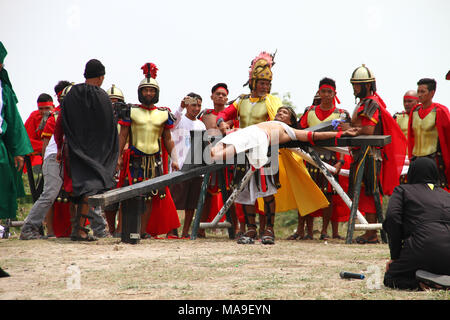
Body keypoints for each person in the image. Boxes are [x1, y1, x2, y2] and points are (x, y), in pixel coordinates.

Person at [216, 52, 329, 245]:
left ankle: (268, 229)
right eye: (262, 83)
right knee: (243, 191)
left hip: (266, 152)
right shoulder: (241, 100)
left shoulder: (272, 102)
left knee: (267, 191)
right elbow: (224, 114)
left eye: (267, 84)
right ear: (253, 82)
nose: (265, 87)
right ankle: (251, 230)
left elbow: (280, 125)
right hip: (243, 152)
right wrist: (222, 124)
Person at [340, 64, 407, 244]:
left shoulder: (370, 103)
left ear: (368, 86)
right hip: (362, 153)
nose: (354, 88)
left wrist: (352, 129)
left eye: (358, 85)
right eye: (353, 84)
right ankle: (370, 232)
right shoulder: (364, 102)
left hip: (369, 153)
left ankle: (371, 233)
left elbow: (369, 130)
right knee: (364, 191)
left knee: (369, 191)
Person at [54, 59, 118, 241]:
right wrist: (109, 154)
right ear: (101, 77)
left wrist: (60, 147)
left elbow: (61, 123)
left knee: (76, 189)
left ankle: (77, 228)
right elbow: (109, 128)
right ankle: (80, 231)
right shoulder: (102, 97)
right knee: (89, 189)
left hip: (72, 150)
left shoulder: (71, 94)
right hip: (94, 154)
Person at [117, 63, 180, 239]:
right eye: (145, 90)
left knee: (151, 196)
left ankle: (143, 231)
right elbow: (122, 136)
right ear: (140, 92)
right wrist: (118, 156)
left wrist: (174, 158)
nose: (148, 93)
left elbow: (167, 139)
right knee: (131, 194)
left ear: (156, 93)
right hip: (135, 158)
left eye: (152, 90)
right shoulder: (131, 111)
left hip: (155, 160)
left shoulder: (164, 113)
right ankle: (127, 229)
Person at [293, 77, 350, 241]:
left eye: (329, 92)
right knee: (307, 193)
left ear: (334, 93)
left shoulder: (341, 114)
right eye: (323, 91)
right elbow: (300, 133)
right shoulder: (309, 112)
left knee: (329, 196)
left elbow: (345, 141)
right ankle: (308, 231)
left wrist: (340, 161)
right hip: (309, 158)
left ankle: (324, 231)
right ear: (319, 92)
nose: (326, 94)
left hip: (331, 159)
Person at [383, 157, 450, 290]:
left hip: (420, 247)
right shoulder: (446, 195)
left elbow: (392, 218)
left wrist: (396, 256)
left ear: (411, 174)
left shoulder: (402, 191)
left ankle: (423, 284)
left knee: (391, 278)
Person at [20, 81, 72, 240]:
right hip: (53, 158)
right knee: (50, 194)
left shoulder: (74, 114)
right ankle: (28, 228)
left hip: (68, 159)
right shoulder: (56, 115)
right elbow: (29, 142)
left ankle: (87, 229)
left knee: (84, 190)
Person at [199, 83, 244, 237]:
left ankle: (236, 228)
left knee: (232, 192)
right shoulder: (204, 115)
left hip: (228, 157)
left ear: (227, 98)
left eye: (224, 95)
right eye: (217, 94)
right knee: (206, 194)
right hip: (209, 157)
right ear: (211, 96)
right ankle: (199, 228)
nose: (220, 97)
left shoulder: (232, 116)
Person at [0, 41, 34, 221]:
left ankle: (3, 223)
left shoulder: (3, 89)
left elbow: (12, 121)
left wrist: (17, 151)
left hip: (0, 145)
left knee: (4, 181)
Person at [169, 93, 206, 238]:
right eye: (193, 105)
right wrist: (181, 106)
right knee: (175, 200)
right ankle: (172, 230)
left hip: (196, 167)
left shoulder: (201, 124)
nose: (196, 108)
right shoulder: (180, 119)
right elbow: (171, 123)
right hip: (180, 165)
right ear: (187, 105)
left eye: (199, 105)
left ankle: (185, 231)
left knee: (192, 203)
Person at [407, 78, 450, 191]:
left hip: (432, 161)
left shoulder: (440, 111)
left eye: (423, 92)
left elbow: (447, 138)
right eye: (418, 91)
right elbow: (411, 137)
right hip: (416, 160)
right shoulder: (414, 111)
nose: (419, 95)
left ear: (432, 93)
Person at [104, 84, 126, 237]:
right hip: (106, 164)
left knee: (125, 197)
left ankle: (121, 228)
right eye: (110, 101)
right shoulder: (101, 121)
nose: (113, 104)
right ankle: (111, 229)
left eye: (116, 101)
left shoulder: (127, 120)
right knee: (109, 199)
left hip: (125, 163)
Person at [23, 93, 55, 170]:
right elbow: (26, 139)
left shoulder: (58, 116)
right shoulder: (34, 116)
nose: (44, 112)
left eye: (47, 108)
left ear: (53, 107)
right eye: (40, 108)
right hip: (41, 147)